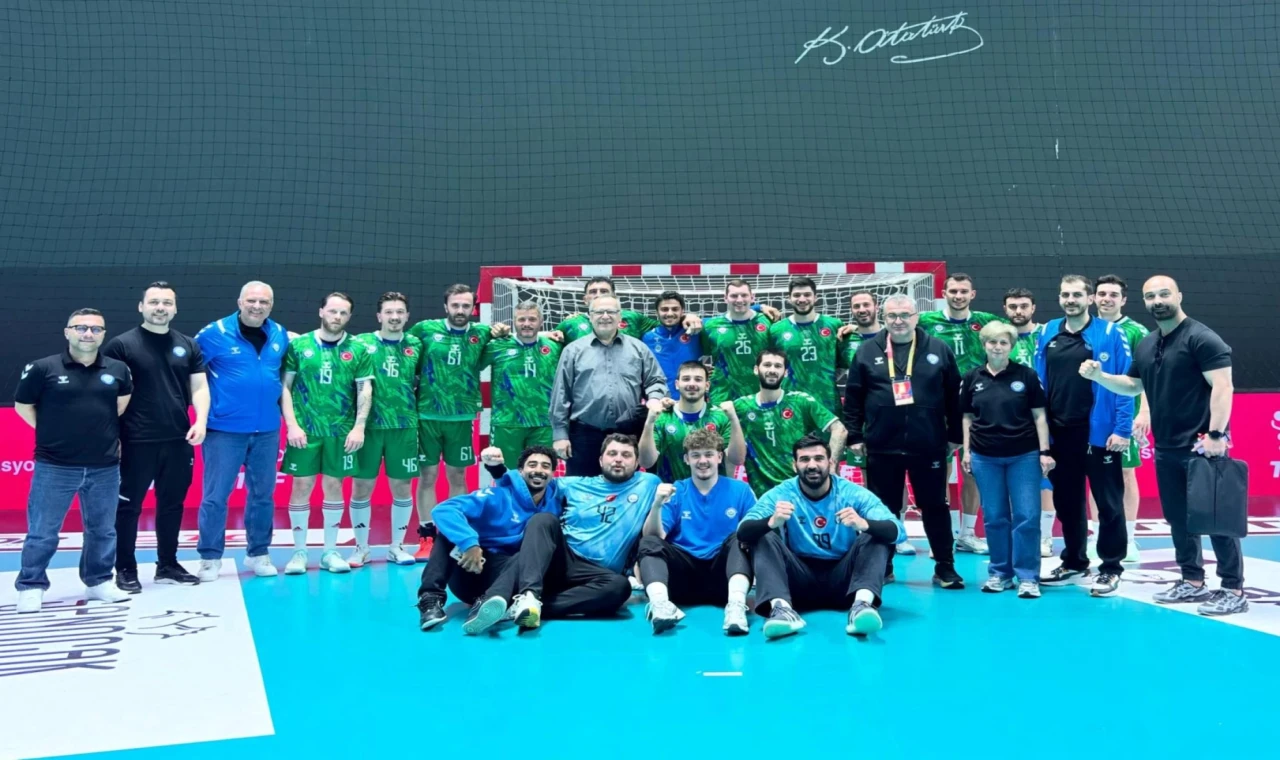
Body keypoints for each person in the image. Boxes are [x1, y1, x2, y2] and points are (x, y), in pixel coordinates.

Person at [1081, 275, 1244, 616]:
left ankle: (1232, 588)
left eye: (1164, 294)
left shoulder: (1202, 338)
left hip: (1202, 447)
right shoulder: (1147, 344)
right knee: (1178, 519)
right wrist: (1100, 377)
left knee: (1216, 520)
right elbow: (1132, 386)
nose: (1158, 300)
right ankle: (1192, 580)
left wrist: (1216, 435)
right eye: (1151, 296)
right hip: (1167, 448)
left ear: (1179, 296)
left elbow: (1223, 387)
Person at [465, 434, 664, 634]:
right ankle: (528, 596)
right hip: (561, 559)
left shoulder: (649, 483)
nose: (618, 459)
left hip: (596, 575)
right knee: (543, 520)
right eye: (612, 453)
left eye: (626, 455)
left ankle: (529, 607)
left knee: (619, 588)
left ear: (637, 463)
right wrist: (497, 469)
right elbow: (525, 486)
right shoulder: (572, 484)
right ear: (600, 460)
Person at [12, 309, 135, 612]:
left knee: (103, 530)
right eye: (81, 328)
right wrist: (51, 432)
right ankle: (31, 585)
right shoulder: (43, 368)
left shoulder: (119, 370)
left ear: (103, 334)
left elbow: (119, 406)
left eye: (95, 329)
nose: (88, 334)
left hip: (104, 466)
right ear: (67, 332)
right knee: (43, 531)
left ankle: (98, 581)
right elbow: (23, 405)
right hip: (55, 466)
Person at [844, 294, 964, 588]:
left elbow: (954, 396)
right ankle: (882, 567)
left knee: (934, 505)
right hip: (882, 444)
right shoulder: (866, 351)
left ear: (916, 317)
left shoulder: (939, 348)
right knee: (882, 509)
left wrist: (955, 436)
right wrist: (855, 435)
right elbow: (854, 396)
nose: (898, 321)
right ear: (883, 318)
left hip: (928, 444)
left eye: (904, 315)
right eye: (892, 316)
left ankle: (945, 567)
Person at [736, 434, 905, 639]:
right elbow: (742, 531)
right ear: (794, 465)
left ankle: (861, 606)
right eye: (804, 459)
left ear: (831, 463)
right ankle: (781, 610)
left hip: (845, 582)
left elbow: (898, 532)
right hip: (798, 582)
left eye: (818, 458)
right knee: (763, 535)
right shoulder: (782, 493)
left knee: (875, 534)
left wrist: (864, 524)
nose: (812, 465)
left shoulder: (851, 493)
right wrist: (771, 522)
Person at [102, 282, 208, 591]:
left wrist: (201, 421)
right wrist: (113, 436)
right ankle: (125, 568)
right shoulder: (121, 346)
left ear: (175, 309)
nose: (160, 307)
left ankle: (167, 565)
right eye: (154, 302)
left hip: (178, 440)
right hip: (135, 441)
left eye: (166, 303)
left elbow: (199, 387)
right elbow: (108, 395)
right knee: (128, 507)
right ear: (141, 307)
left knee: (172, 504)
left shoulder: (188, 345)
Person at [1034, 275, 1132, 596]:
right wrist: (1043, 437)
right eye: (1065, 295)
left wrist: (1122, 429)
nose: (1071, 300)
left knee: (1108, 504)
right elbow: (1039, 383)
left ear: (1089, 299)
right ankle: (1074, 562)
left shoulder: (1110, 333)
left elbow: (1125, 383)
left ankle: (1111, 567)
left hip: (1098, 435)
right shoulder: (1048, 331)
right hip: (1060, 434)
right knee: (1067, 503)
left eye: (1077, 294)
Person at [194, 281, 290, 582]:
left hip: (267, 431)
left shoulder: (280, 334)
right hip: (224, 430)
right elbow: (190, 373)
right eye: (251, 301)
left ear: (271, 306)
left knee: (263, 496)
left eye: (264, 302)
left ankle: (258, 553)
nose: (257, 306)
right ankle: (210, 558)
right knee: (215, 496)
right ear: (239, 302)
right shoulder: (214, 333)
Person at [406, 284, 507, 560]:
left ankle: (455, 534)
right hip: (427, 415)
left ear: (473, 308)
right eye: (455, 305)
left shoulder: (482, 333)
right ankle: (427, 536)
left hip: (462, 417)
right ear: (446, 306)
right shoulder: (424, 329)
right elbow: (399, 346)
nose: (460, 310)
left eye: (465, 305)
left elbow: (513, 334)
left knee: (458, 476)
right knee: (427, 477)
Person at [415, 445, 560, 631]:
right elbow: (443, 510)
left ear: (553, 474)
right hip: (471, 567)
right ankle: (430, 599)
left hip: (508, 580)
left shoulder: (554, 504)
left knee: (525, 556)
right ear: (520, 472)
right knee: (449, 534)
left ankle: (486, 606)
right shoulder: (496, 495)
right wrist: (470, 544)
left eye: (545, 466)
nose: (539, 470)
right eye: (532, 465)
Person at [280, 293, 374, 574]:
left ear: (349, 316)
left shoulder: (358, 349)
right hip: (305, 431)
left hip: (340, 431)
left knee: (334, 486)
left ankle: (330, 552)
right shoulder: (299, 345)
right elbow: (285, 387)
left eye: (343, 313)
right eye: (333, 311)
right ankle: (299, 553)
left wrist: (359, 427)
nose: (337, 317)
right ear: (321, 311)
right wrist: (292, 425)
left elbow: (364, 389)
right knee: (301, 486)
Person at [960, 322, 1055, 599]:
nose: (997, 347)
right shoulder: (972, 378)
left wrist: (1044, 452)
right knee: (994, 517)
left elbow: (1039, 416)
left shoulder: (1026, 375)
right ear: (984, 345)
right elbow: (967, 417)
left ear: (1011, 346)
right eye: (992, 342)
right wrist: (967, 451)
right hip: (984, 457)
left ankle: (1028, 577)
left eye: (1003, 342)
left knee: (1027, 516)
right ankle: (1000, 573)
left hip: (1023, 456)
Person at [637, 429, 757, 634]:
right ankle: (660, 605)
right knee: (648, 542)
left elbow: (755, 536)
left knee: (741, 537)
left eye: (709, 454)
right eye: (696, 455)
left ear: (719, 457)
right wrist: (657, 504)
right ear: (686, 459)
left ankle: (736, 607)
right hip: (682, 580)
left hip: (724, 579)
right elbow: (655, 537)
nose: (702, 461)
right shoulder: (676, 490)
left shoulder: (741, 490)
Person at [919, 274, 1002, 553]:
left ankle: (967, 534)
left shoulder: (987, 322)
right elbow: (895, 333)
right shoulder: (926, 321)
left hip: (977, 408)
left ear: (972, 294)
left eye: (963, 291)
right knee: (938, 473)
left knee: (973, 471)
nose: (958, 296)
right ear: (943, 293)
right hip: (938, 408)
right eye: (953, 291)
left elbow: (1014, 334)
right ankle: (941, 535)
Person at [550, 295, 669, 476]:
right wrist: (560, 434)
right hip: (584, 435)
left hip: (629, 434)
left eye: (611, 312)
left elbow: (656, 381)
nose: (605, 316)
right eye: (599, 312)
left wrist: (654, 398)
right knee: (582, 489)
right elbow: (561, 393)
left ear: (619, 316)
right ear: (590, 316)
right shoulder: (572, 351)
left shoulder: (639, 349)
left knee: (626, 487)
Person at [351, 292, 423, 567]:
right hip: (368, 427)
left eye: (399, 312)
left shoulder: (416, 344)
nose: (394, 317)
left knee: (402, 487)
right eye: (389, 312)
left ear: (407, 316)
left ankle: (396, 547)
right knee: (361, 487)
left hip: (404, 426)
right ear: (379, 316)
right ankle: (361, 548)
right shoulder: (361, 343)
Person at [1091, 274, 1150, 563]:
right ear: (1093, 298)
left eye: (1113, 294)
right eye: (1102, 294)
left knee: (1126, 473)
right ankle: (1096, 537)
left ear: (1123, 300)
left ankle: (1128, 538)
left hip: (1125, 414)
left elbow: (1149, 375)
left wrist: (1144, 412)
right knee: (1095, 475)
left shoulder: (1136, 331)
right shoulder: (1086, 328)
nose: (1107, 299)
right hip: (1093, 415)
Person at [734, 350, 847, 496]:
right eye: (767, 365)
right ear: (756, 369)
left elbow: (840, 430)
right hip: (761, 496)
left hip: (801, 492)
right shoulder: (741, 407)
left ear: (786, 372)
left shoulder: (800, 401)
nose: (772, 370)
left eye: (778, 366)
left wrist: (831, 468)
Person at [1004, 287, 1057, 558]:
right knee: (1015, 481)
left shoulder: (1047, 335)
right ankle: (1020, 535)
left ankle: (1045, 537)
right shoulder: (1002, 338)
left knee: (1045, 477)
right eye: (1013, 306)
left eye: (1024, 306)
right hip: (1012, 421)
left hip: (1046, 417)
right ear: (1005, 309)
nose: (1018, 311)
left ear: (1033, 308)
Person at [482, 300, 563, 469]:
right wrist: (490, 333)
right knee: (507, 476)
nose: (527, 324)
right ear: (514, 322)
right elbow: (471, 364)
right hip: (507, 423)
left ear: (541, 322)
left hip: (543, 423)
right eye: (521, 319)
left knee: (540, 475)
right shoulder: (497, 346)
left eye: (532, 319)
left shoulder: (555, 347)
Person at [639, 360, 745, 482]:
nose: (692, 384)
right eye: (686, 379)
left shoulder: (721, 417)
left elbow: (738, 459)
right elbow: (645, 462)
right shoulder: (663, 417)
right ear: (677, 384)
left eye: (698, 379)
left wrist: (733, 419)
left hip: (712, 491)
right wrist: (649, 422)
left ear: (707, 386)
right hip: (673, 491)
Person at [768, 276, 848, 417]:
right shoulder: (776, 330)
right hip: (791, 403)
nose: (802, 299)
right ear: (789, 299)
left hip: (827, 402)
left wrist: (826, 378)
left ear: (815, 297)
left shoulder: (834, 325)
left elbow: (843, 362)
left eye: (807, 294)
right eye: (797, 295)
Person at [555, 277, 702, 342]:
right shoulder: (571, 323)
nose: (598, 295)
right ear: (585, 299)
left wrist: (686, 316)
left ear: (614, 297)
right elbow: (550, 340)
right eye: (593, 292)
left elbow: (667, 325)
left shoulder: (632, 318)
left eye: (604, 291)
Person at [701, 279, 776, 405]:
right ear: (725, 298)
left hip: (759, 392)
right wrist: (704, 369)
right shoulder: (710, 326)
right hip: (723, 394)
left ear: (752, 297)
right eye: (734, 296)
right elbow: (704, 354)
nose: (739, 300)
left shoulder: (768, 321)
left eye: (744, 295)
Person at [643, 292, 702, 399]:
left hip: (692, 399)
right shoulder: (647, 338)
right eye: (664, 309)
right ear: (657, 312)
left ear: (682, 311)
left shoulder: (696, 331)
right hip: (660, 400)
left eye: (675, 309)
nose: (670, 313)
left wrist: (692, 316)